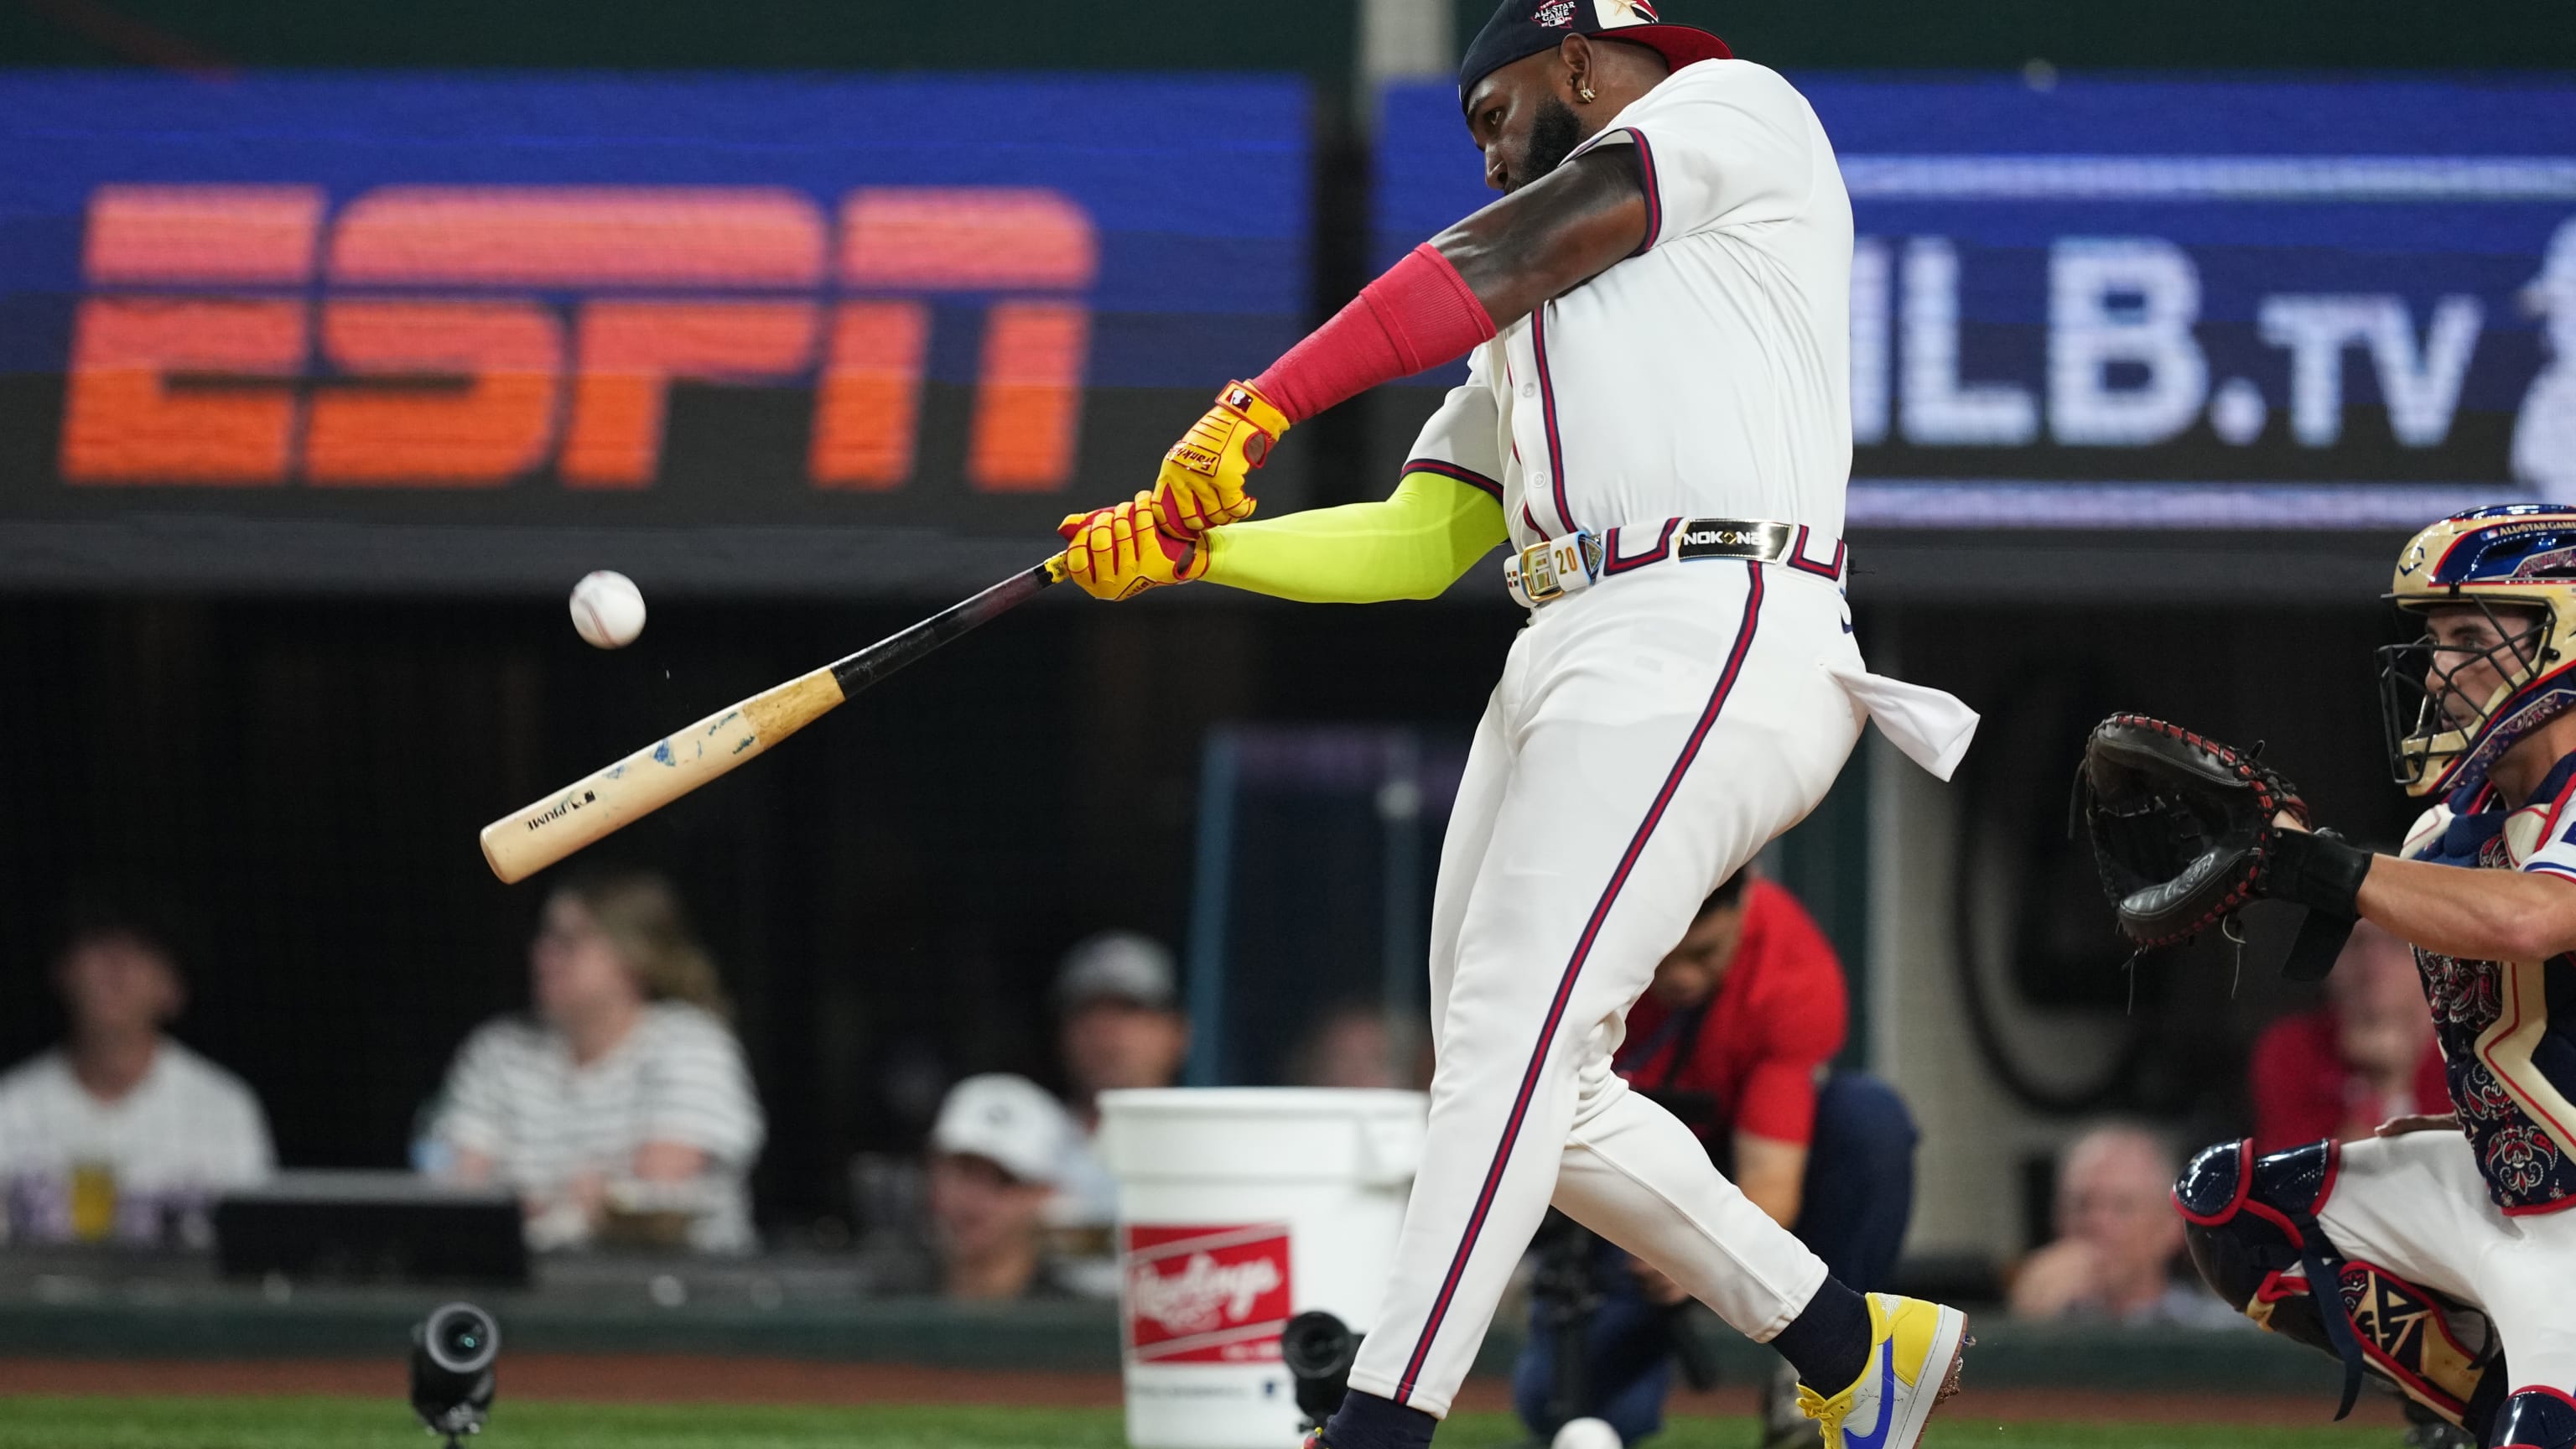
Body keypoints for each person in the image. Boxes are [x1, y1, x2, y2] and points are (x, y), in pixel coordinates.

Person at [1047, 4, 1982, 1446]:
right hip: (1567, 635)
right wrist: (1195, 553)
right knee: (1529, 1068)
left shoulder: (1731, 112)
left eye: (1490, 117)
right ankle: (1850, 1339)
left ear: (1577, 60)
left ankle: (1377, 1426)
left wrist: (1260, 404)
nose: (1484, 163)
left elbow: (1514, 244)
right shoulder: (1539, 314)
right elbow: (1420, 541)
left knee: (1509, 1045)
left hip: (1718, 607)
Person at [2172, 506, 2576, 1447]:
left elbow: (2536, 918)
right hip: (2507, 1186)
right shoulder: (2446, 829)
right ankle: (2472, 1403)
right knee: (2234, 1207)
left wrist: (2321, 867)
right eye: (2433, 640)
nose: (2438, 670)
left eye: (2472, 636)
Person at [1513, 871, 1921, 1447]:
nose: (1680, 976)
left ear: (1743, 909)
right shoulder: (1581, 958)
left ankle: (1832, 1375)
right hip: (1615, 1185)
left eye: (1703, 953)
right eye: (1663, 955)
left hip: (1730, 1176)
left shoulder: (1787, 963)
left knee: (1868, 1120)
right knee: (1556, 1407)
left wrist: (1689, 1254)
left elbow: (1771, 1181)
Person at [427, 870, 765, 1254]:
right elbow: (462, 1198)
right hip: (532, 1292)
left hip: (674, 1293)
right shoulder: (499, 1051)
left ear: (632, 956)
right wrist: (573, 1201)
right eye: (544, 937)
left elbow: (651, 1204)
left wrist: (548, 1206)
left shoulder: (690, 1044)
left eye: (568, 942)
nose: (544, 955)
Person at [0, 922, 273, 1247]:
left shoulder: (224, 1107)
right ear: (63, 971)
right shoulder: (11, 1104)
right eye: (98, 943)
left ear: (174, 988)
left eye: (141, 949)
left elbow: (256, 1257)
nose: (117, 967)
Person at [1046, 931, 1189, 1295]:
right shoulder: (1023, 1141)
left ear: (1177, 1033)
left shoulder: (1210, 1145)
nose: (1105, 1031)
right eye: (1087, 1012)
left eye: (1129, 1010)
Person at [2008, 1124, 2238, 1328]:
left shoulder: (2218, 1333)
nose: (2096, 1223)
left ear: (2170, 1229)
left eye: (2122, 1207)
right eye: (2082, 1205)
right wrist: (2027, 1325)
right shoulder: (2042, 1320)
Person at [2247, 919, 2446, 1153]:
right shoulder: (2293, 1049)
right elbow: (2301, 1184)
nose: (2373, 964)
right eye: (2355, 943)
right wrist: (2381, 1088)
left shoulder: (2473, 1055)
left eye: (2396, 943)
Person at [923, 1072, 1081, 1301]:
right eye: (964, 1170)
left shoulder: (1075, 1320)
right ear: (933, 1170)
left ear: (1045, 1193)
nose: (974, 1198)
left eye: (1004, 1179)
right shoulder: (880, 1298)